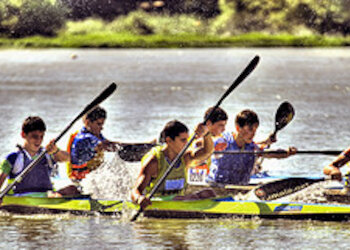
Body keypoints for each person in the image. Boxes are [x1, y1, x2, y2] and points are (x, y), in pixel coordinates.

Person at [131, 120, 214, 209]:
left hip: (180, 200)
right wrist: (139, 199)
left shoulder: (185, 157)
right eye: (183, 140)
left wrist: (206, 134)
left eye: (187, 139)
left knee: (209, 193)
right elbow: (135, 191)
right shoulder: (154, 162)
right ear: (169, 140)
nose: (187, 144)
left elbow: (207, 152)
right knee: (185, 198)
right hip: (157, 202)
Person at [206, 109, 297, 186]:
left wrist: (287, 153)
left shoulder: (251, 147)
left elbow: (268, 153)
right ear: (238, 128)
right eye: (250, 129)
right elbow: (207, 145)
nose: (253, 134)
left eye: (255, 130)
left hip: (240, 189)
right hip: (217, 187)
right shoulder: (223, 140)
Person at [0, 116, 78, 198]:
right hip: (21, 197)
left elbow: (69, 159)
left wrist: (56, 151)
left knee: (73, 189)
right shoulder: (13, 158)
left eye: (41, 136)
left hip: (48, 196)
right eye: (35, 136)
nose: (39, 141)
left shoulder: (47, 154)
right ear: (23, 135)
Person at [67, 106, 117, 182]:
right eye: (98, 124)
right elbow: (106, 146)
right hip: (80, 181)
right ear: (87, 122)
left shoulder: (96, 134)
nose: (101, 128)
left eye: (102, 125)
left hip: (91, 177)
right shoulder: (83, 138)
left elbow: (109, 144)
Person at [187, 107, 228, 184]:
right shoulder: (198, 140)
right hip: (194, 178)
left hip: (207, 177)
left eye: (225, 125)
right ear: (209, 123)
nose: (224, 129)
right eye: (221, 125)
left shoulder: (218, 138)